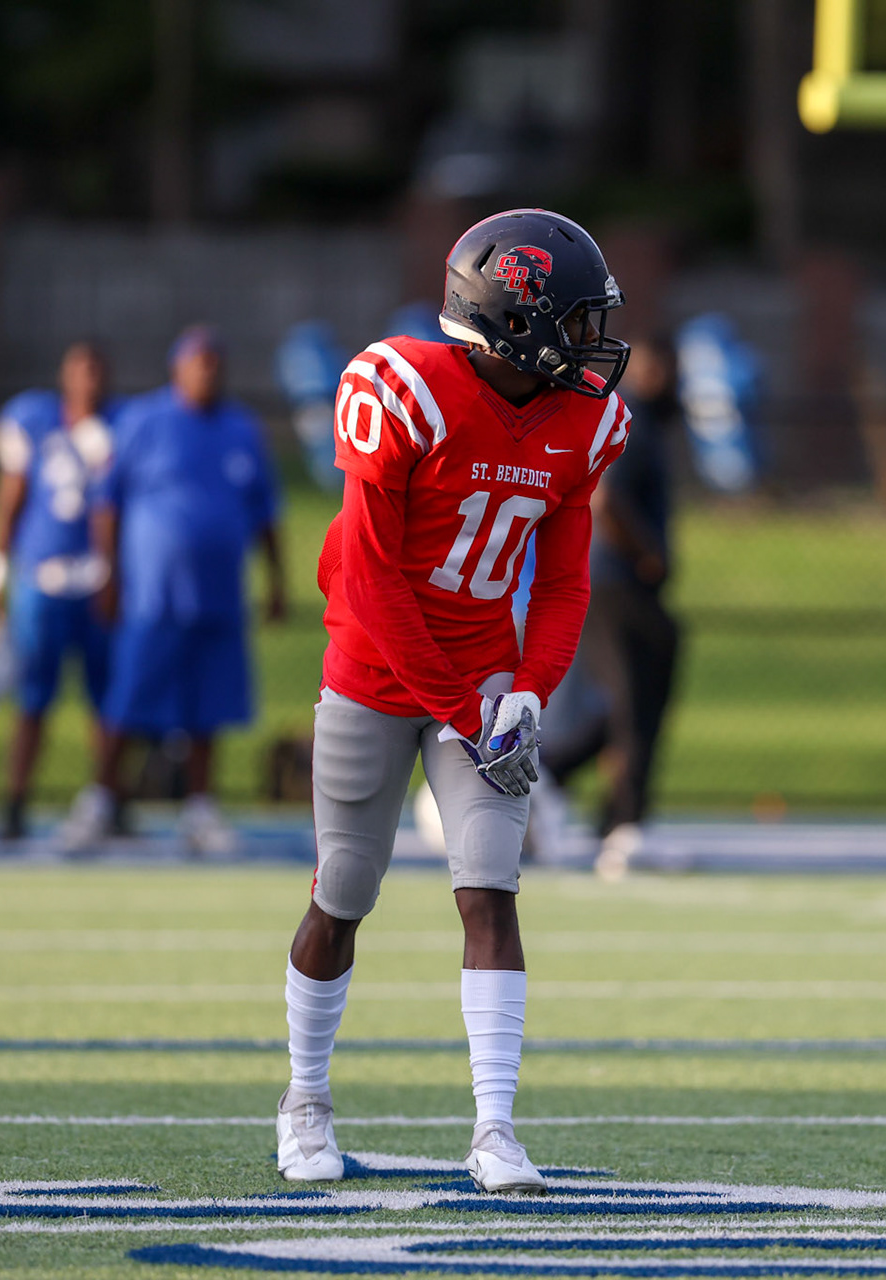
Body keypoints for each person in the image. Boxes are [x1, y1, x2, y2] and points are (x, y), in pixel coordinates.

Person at [277, 209, 631, 1193]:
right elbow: (371, 576)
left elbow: (563, 581)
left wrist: (526, 691)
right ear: (517, 324)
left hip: (479, 677)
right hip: (375, 667)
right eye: (576, 319)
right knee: (342, 892)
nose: (595, 342)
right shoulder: (403, 391)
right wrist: (463, 706)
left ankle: (495, 1125)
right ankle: (304, 1099)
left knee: (490, 888)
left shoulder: (581, 421)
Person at [58, 325, 287, 856]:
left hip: (219, 595)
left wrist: (275, 581)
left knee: (209, 707)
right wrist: (109, 574)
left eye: (215, 360)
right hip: (154, 594)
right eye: (197, 360)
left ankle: (200, 811)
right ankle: (99, 802)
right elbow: (106, 503)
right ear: (176, 368)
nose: (207, 369)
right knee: (129, 700)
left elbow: (264, 513)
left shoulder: (242, 429)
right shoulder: (144, 422)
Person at [542, 336, 682, 877]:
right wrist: (647, 553)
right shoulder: (636, 420)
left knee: (628, 702)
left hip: (612, 583)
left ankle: (549, 777)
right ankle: (624, 826)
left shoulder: (635, 420)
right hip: (621, 582)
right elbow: (606, 497)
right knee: (636, 701)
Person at [0, 341, 118, 841]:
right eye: (82, 369)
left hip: (98, 581)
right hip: (42, 580)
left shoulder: (122, 427)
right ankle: (14, 802)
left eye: (98, 368)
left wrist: (115, 573)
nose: (91, 379)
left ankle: (107, 802)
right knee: (34, 697)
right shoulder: (33, 420)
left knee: (108, 701)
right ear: (65, 376)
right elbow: (10, 498)